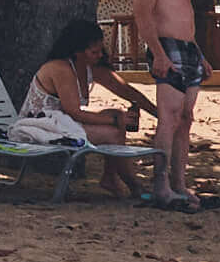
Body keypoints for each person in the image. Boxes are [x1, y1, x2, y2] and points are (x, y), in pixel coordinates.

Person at [26, 17, 153, 198]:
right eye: (94, 52)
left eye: (101, 50)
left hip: (64, 122)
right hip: (44, 125)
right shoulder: (60, 69)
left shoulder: (88, 67)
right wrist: (116, 120)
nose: (100, 55)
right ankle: (135, 186)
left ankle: (110, 177)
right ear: (78, 51)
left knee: (115, 114)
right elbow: (74, 112)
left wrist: (158, 113)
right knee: (113, 132)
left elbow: (127, 92)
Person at [134, 0, 207, 210]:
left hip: (188, 49)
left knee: (186, 119)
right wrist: (158, 53)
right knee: (169, 118)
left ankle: (180, 184)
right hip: (167, 46)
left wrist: (200, 54)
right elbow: (143, 13)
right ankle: (160, 185)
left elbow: (185, 16)